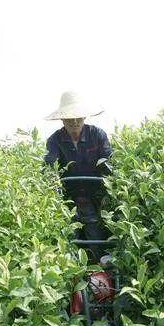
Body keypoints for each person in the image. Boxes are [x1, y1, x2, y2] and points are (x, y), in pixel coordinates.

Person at [43, 91, 113, 253]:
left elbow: (108, 163)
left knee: (95, 234)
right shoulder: (54, 140)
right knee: (70, 237)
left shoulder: (97, 135)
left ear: (84, 117)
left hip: (95, 195)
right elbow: (50, 166)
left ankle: (100, 269)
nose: (74, 122)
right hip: (69, 198)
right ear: (62, 119)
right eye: (69, 118)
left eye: (78, 117)